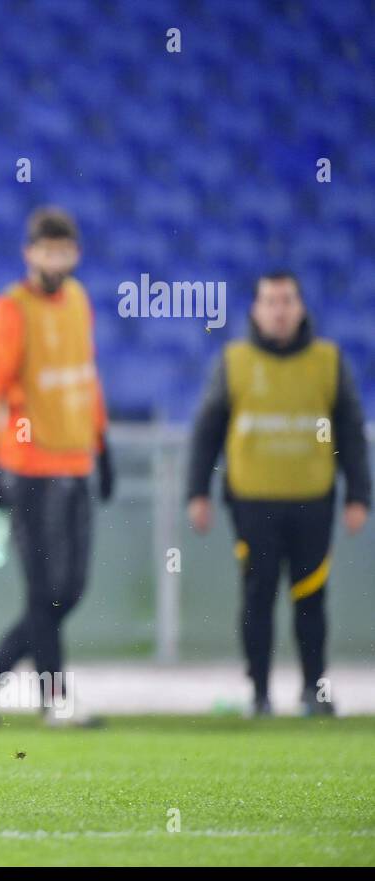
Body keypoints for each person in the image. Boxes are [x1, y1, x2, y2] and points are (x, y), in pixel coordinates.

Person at [186, 270, 370, 716]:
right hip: (252, 502)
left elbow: (350, 429)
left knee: (311, 597)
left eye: (287, 300)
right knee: (257, 598)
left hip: (313, 499)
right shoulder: (235, 361)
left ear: (300, 307)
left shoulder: (328, 361)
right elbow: (207, 430)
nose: (280, 310)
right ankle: (260, 695)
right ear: (256, 310)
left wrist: (359, 494)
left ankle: (313, 690)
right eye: (270, 301)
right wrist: (198, 491)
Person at [0, 207, 112, 726]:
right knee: (45, 591)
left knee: (69, 590)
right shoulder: (11, 310)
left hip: (76, 463)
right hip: (28, 468)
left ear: (74, 253)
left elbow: (85, 376)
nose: (56, 258)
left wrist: (102, 442)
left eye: (64, 249)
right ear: (30, 254)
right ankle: (55, 702)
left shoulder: (78, 302)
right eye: (47, 249)